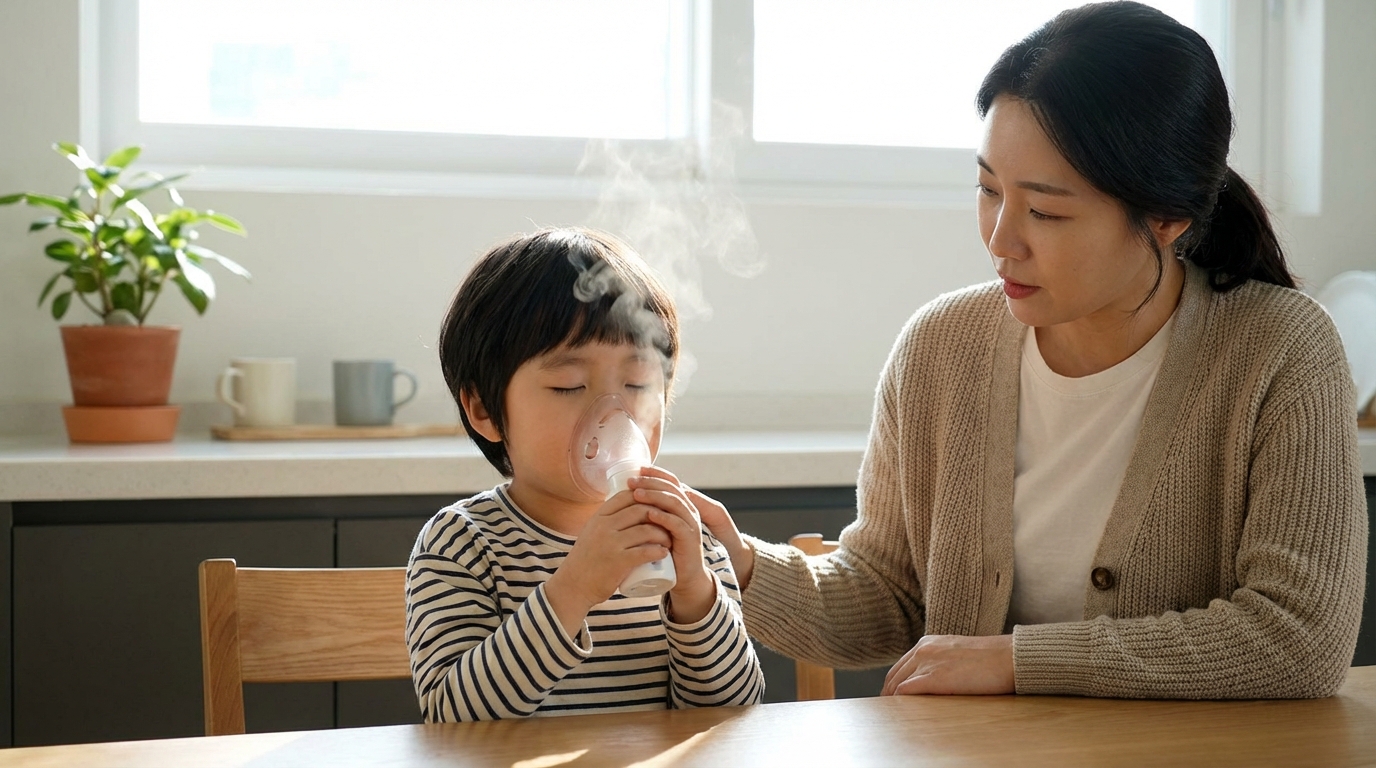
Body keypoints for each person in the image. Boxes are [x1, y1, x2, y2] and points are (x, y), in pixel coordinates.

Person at [699, 1, 1367, 699]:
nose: (1000, 239)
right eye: (989, 189)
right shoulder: (940, 348)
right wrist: (740, 564)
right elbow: (889, 597)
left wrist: (1017, 661)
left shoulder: (1282, 349)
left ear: (1168, 217)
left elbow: (1299, 637)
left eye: (1046, 211)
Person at [407, 227, 764, 721]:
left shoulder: (688, 538)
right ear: (485, 409)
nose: (611, 410)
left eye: (637, 383)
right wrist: (572, 589)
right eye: (569, 385)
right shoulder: (462, 544)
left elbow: (734, 710)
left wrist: (697, 597)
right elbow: (454, 718)